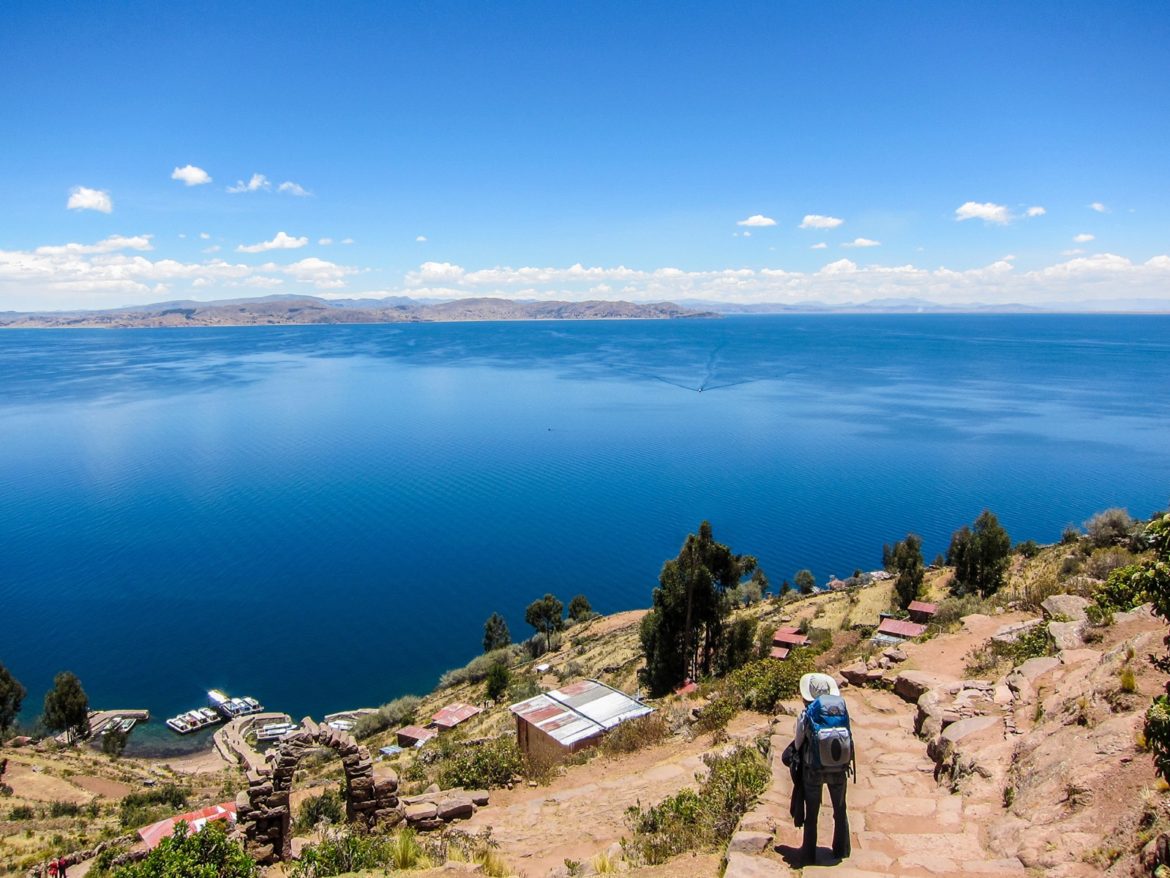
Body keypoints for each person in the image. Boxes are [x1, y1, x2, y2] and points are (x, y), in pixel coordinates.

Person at [794, 672, 851, 864]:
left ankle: (809, 854)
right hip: (839, 767)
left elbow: (797, 742)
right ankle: (841, 849)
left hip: (813, 769)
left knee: (812, 813)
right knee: (840, 808)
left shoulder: (807, 713)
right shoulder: (840, 709)